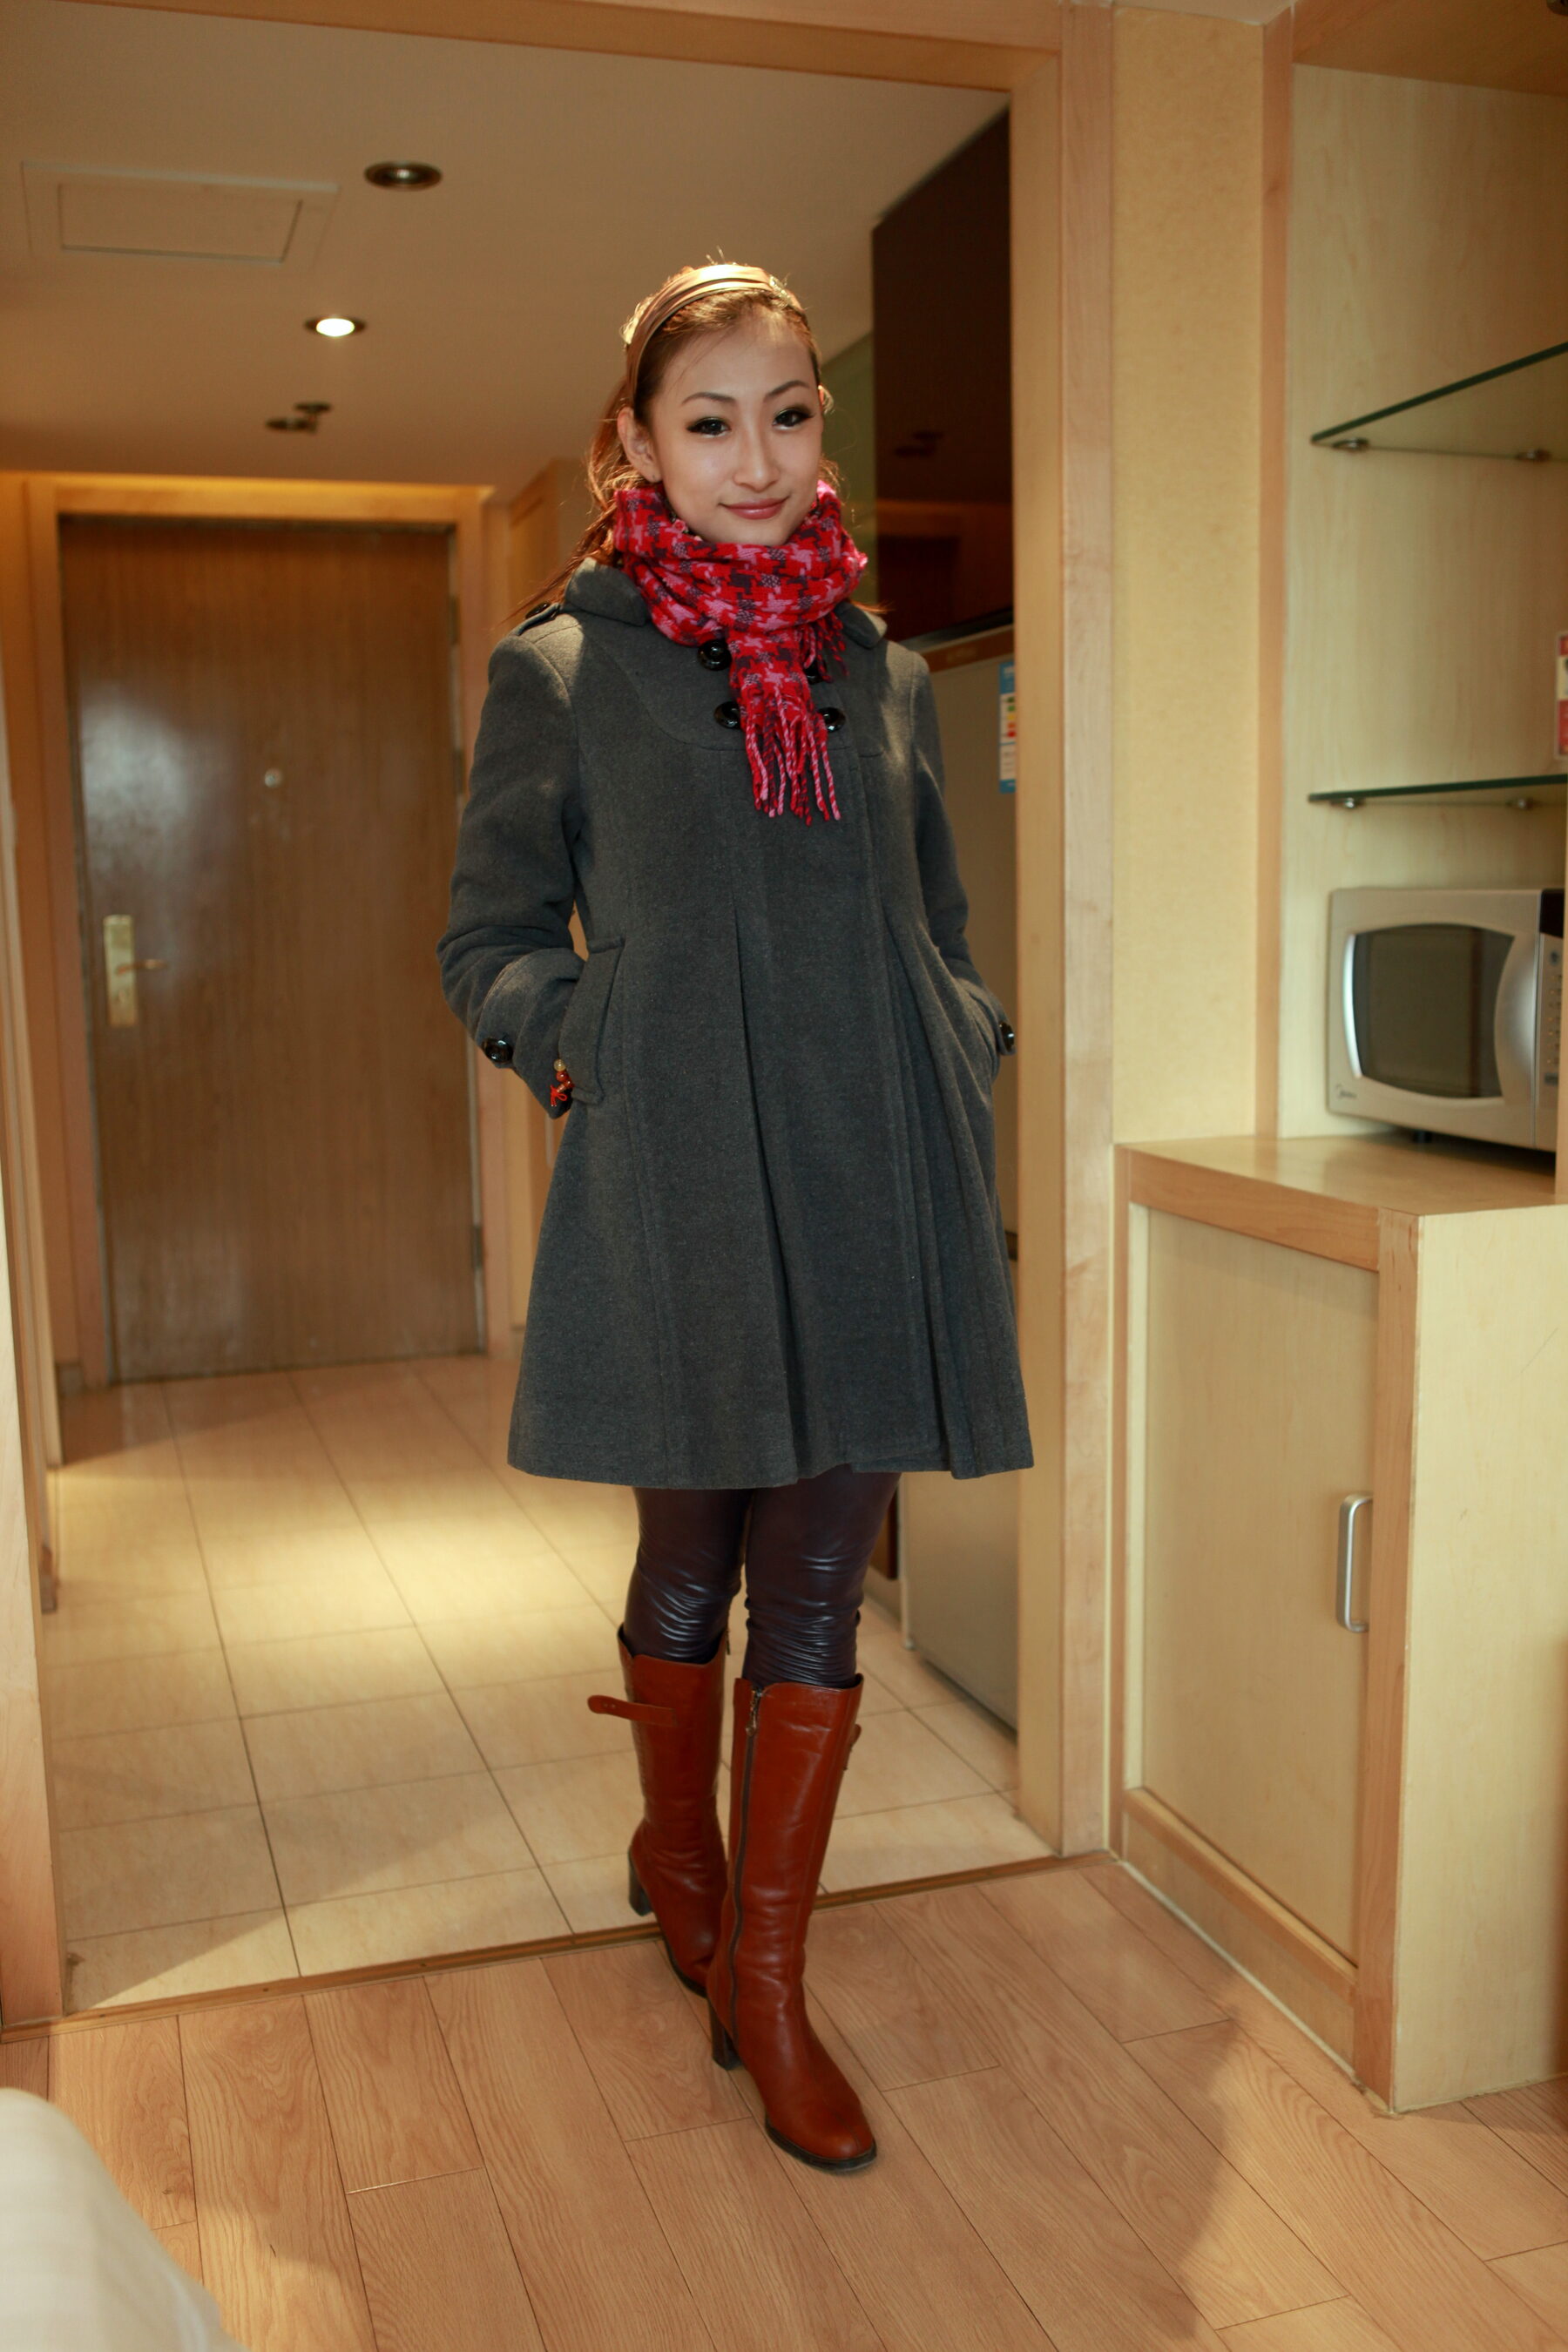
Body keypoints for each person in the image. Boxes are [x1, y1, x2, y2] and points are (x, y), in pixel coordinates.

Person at [438, 261, 1031, 2173]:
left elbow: (939, 918)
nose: (755, 459)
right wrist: (587, 1045)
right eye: (710, 422)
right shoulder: (562, 667)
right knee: (689, 1553)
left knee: (822, 1580)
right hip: (682, 1176)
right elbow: (490, 938)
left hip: (875, 1172)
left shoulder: (888, 672)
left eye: (787, 415)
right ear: (638, 442)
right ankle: (673, 1852)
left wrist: (962, 1034)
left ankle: (765, 1984)